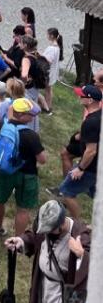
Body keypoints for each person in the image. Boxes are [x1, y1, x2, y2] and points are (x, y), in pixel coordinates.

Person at [6, 200, 91, 303]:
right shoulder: (49, 228)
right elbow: (35, 237)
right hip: (44, 284)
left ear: (61, 224)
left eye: (50, 230)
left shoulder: (79, 234)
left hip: (62, 291)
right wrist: (21, 241)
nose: (47, 233)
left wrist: (81, 254)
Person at [0, 98, 46, 235]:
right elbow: (42, 160)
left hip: (4, 171)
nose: (33, 117)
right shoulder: (31, 135)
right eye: (30, 114)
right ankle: (18, 240)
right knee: (23, 209)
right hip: (27, 175)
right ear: (20, 114)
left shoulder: (1, 124)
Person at [59, 85, 101, 220]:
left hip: (91, 167)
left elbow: (91, 151)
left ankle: (78, 225)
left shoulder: (91, 122)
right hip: (97, 166)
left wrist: (80, 168)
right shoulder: (99, 116)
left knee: (67, 191)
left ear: (90, 100)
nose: (79, 96)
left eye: (82, 95)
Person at [42, 28, 63, 110]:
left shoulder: (52, 48)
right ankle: (48, 105)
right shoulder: (56, 46)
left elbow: (49, 61)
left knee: (48, 90)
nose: (46, 36)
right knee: (49, 89)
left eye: (47, 34)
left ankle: (47, 106)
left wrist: (40, 56)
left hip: (49, 72)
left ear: (51, 36)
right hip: (52, 71)